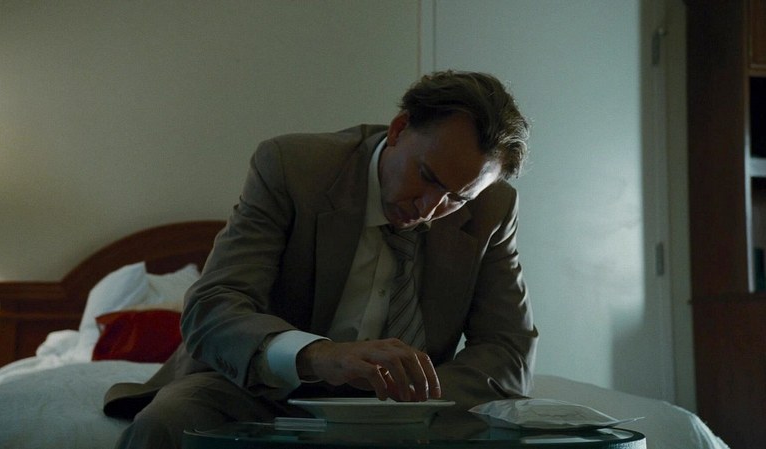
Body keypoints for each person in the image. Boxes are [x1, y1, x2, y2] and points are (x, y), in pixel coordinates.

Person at [104, 70, 538, 448]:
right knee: (167, 422)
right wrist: (319, 356)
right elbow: (213, 307)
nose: (429, 208)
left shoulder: (492, 208)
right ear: (399, 128)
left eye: (457, 198)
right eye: (426, 176)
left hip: (406, 408)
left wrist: (415, 394)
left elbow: (508, 349)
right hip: (264, 388)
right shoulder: (293, 168)